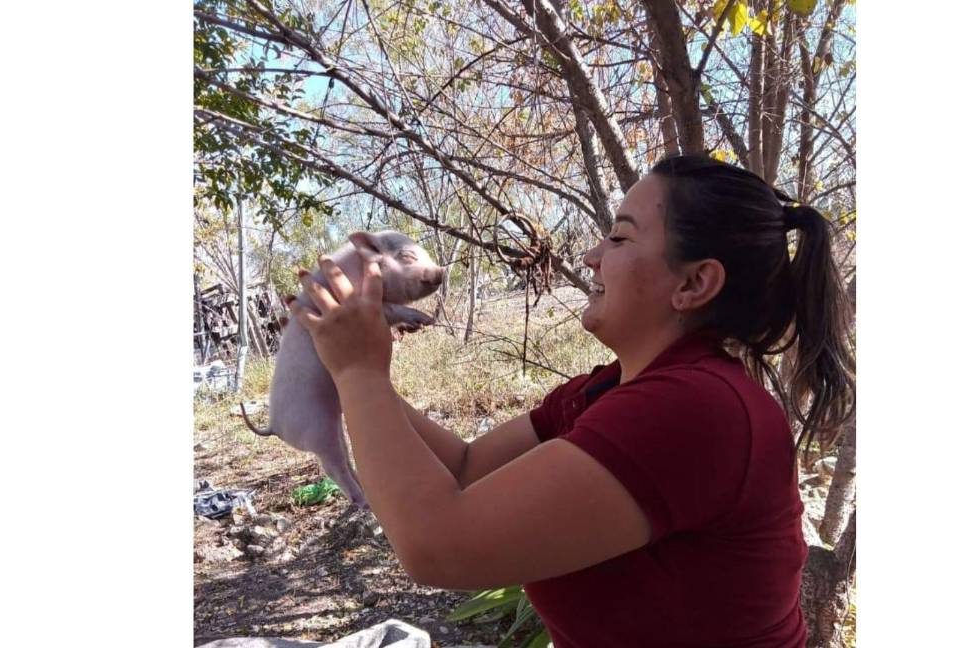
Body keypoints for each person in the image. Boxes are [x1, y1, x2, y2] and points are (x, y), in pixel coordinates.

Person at [285, 154, 855, 648]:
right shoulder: (605, 390)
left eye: (620, 238)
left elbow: (438, 547)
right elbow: (464, 467)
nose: (590, 256)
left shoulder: (699, 409)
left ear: (693, 284)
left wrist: (357, 371)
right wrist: (344, 366)